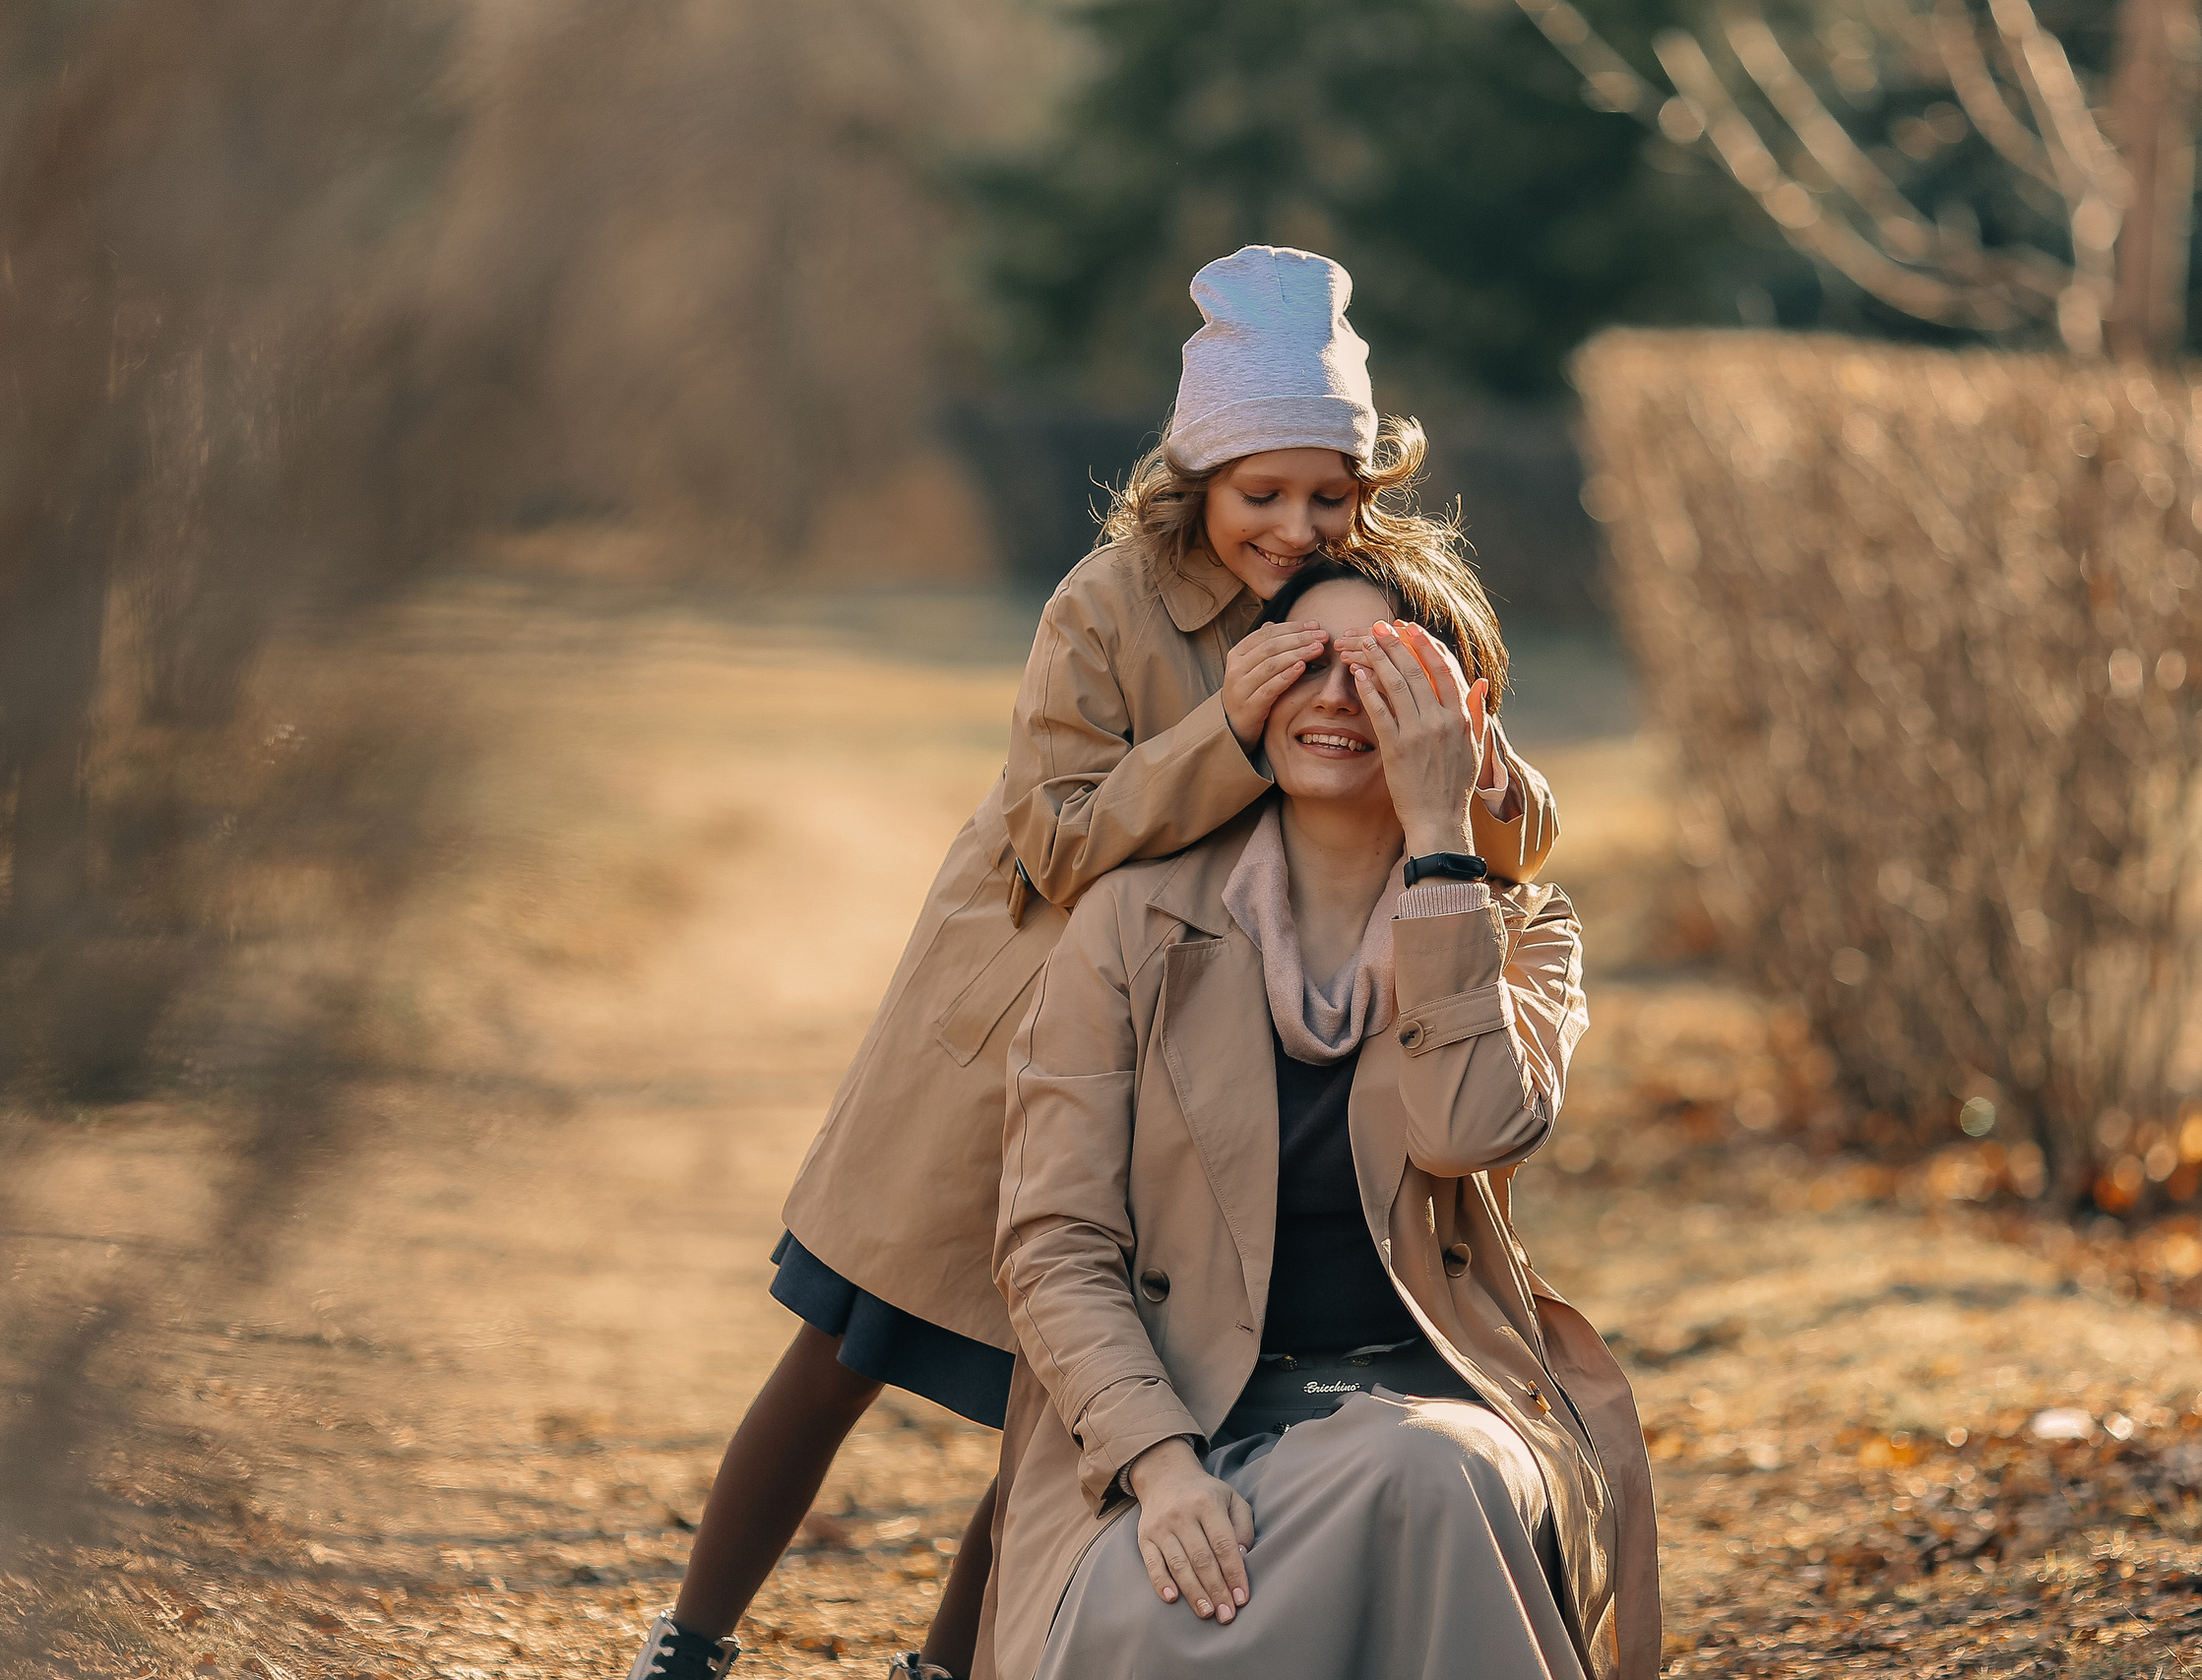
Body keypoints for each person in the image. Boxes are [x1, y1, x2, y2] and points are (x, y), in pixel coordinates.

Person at [625, 246, 1559, 1680]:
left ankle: (956, 1664)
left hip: (1183, 1057)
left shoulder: (1375, 608)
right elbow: (1055, 837)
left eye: (1330, 495)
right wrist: (1222, 736)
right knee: (844, 1344)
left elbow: (1524, 830)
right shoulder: (1108, 605)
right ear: (1196, 477)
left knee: (1076, 1388)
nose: (1296, 528)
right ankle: (692, 1636)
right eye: (1263, 495)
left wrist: (1465, 775)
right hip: (1005, 1032)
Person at [986, 552, 1659, 1680]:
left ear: (1467, 713)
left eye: (1386, 673)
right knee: (1153, 1614)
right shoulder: (1128, 924)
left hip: (1428, 1396)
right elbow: (1051, 1240)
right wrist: (1159, 1465)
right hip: (1178, 1416)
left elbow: (1466, 1130)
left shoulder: (1520, 931)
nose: (1338, 700)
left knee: (1433, 1482)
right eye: (1307, 662)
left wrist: (1443, 843)